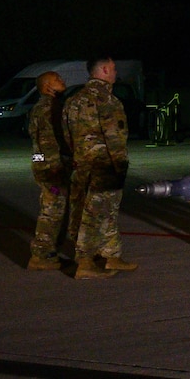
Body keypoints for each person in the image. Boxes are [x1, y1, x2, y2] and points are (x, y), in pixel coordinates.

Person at [64, 57, 135, 278]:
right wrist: (119, 164)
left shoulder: (73, 100)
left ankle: (111, 255)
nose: (115, 72)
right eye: (113, 68)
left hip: (83, 164)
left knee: (97, 211)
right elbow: (115, 137)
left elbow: (67, 135)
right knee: (97, 214)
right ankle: (85, 262)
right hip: (105, 165)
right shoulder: (107, 100)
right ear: (104, 70)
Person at [26, 71, 73, 271]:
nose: (61, 80)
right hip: (51, 166)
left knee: (56, 209)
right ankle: (41, 254)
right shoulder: (48, 107)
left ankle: (49, 250)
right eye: (56, 78)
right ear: (47, 86)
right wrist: (57, 166)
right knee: (52, 210)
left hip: (44, 162)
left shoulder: (43, 106)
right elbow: (47, 142)